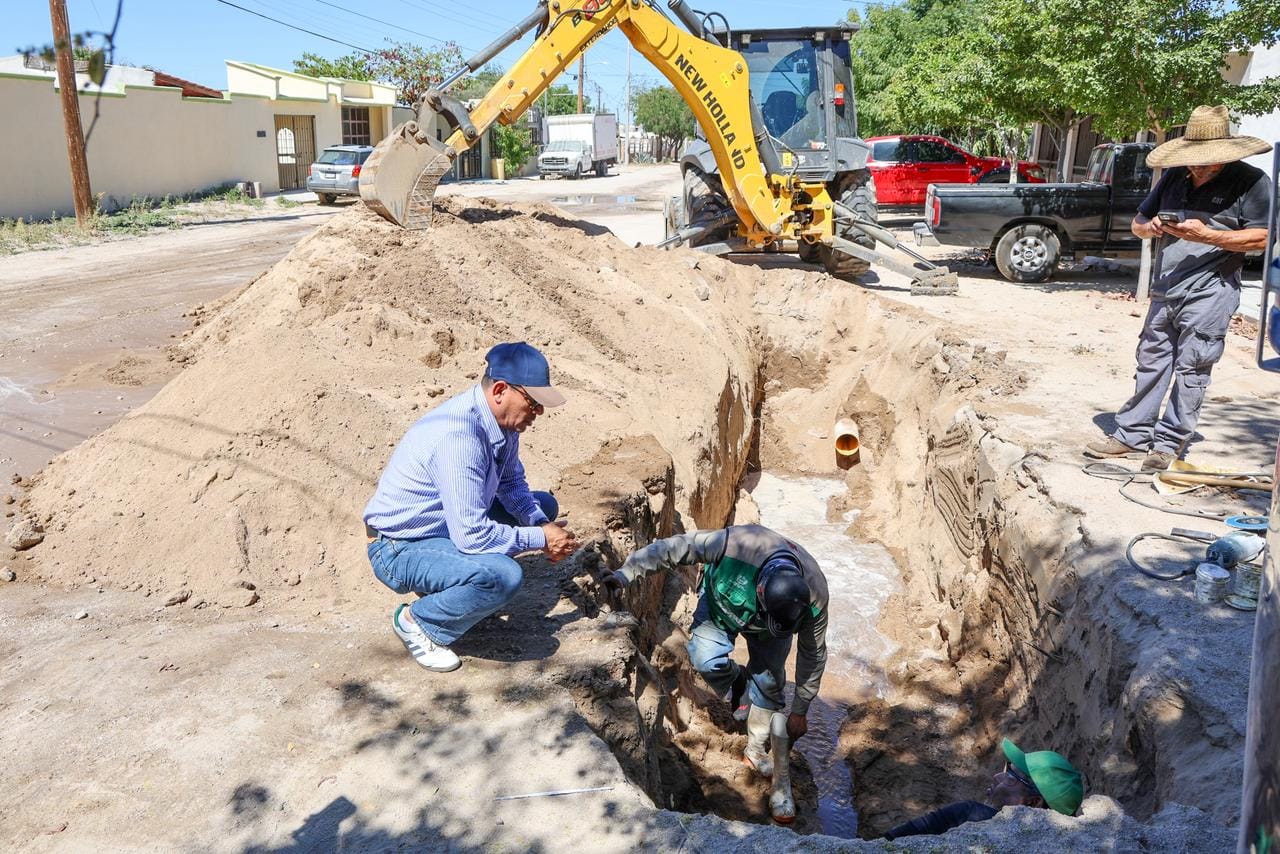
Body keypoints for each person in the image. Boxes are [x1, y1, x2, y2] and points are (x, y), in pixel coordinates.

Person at [364, 342, 578, 672]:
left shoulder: (501, 422)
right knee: (503, 577)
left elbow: (511, 484)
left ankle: (456, 586)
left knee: (543, 506)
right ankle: (418, 623)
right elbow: (473, 536)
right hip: (399, 548)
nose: (539, 413)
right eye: (533, 403)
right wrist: (541, 540)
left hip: (444, 527)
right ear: (501, 390)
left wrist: (540, 525)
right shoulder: (460, 437)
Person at [1085, 105, 1272, 471]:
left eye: (1206, 163)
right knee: (1151, 361)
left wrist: (1210, 235)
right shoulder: (1174, 177)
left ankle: (1169, 444)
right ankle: (1132, 434)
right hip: (1166, 286)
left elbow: (1263, 236)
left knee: (1193, 367)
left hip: (1211, 289)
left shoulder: (1251, 182)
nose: (1198, 169)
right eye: (1194, 162)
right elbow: (1138, 222)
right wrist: (1151, 226)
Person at [602, 525, 828, 776]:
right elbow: (674, 548)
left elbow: (813, 654)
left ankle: (754, 751)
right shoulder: (734, 546)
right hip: (722, 608)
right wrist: (626, 574)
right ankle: (738, 680)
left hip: (769, 634)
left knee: (769, 685)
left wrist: (800, 709)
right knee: (705, 660)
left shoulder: (814, 597)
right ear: (760, 590)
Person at [883, 738, 1084, 840]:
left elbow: (890, 841)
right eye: (1007, 769)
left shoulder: (971, 813)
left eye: (1011, 777)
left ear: (1032, 803)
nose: (998, 776)